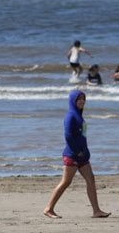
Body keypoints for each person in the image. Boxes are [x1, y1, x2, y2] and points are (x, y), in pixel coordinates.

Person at [43, 90, 111, 219]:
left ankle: (96, 211)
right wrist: (77, 151)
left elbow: (81, 136)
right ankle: (49, 208)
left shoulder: (79, 115)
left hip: (82, 156)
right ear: (73, 101)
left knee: (91, 179)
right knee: (66, 182)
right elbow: (68, 136)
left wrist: (85, 151)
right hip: (72, 155)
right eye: (78, 99)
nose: (81, 101)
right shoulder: (71, 116)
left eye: (83, 99)